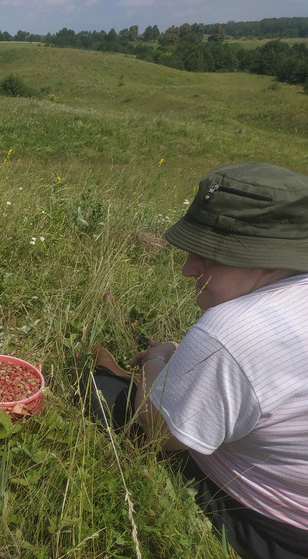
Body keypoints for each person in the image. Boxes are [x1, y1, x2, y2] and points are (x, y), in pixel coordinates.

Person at [87, 162, 308, 559]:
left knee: (98, 390)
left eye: (210, 256)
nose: (188, 269)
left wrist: (157, 358)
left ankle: (116, 375)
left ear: (271, 260)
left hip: (272, 526)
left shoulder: (232, 331)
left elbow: (160, 434)